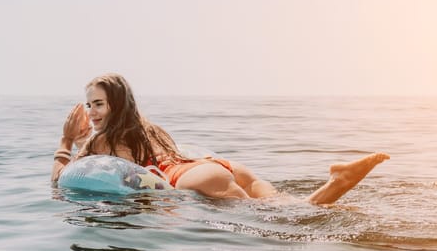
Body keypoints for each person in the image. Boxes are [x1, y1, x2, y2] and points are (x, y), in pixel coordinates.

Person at [51, 74, 390, 205]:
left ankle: (337, 182)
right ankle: (336, 182)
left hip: (189, 177)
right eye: (88, 105)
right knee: (283, 204)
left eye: (98, 104)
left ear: (115, 104)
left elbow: (60, 183)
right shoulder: (150, 127)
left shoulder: (100, 142)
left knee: (286, 220)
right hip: (216, 165)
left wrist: (67, 141)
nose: (92, 112)